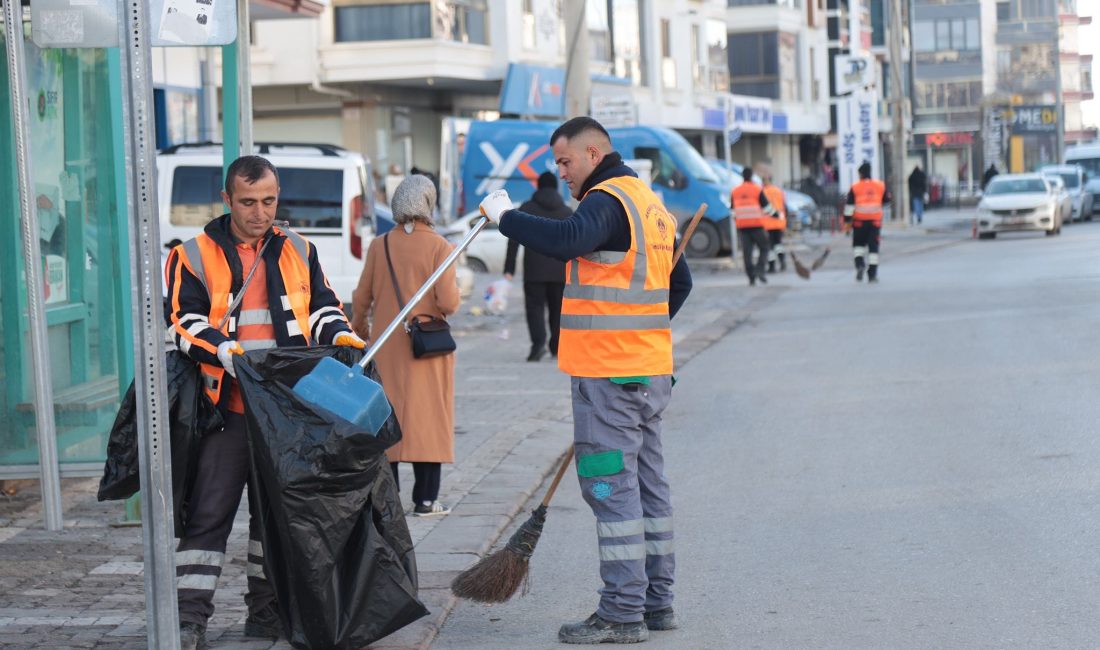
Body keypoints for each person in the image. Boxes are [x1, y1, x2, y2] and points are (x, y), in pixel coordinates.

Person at [480, 116, 692, 645]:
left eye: (565, 161)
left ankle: (622, 614)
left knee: (610, 490)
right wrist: (643, 334)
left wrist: (507, 218)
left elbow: (569, 238)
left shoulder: (606, 200)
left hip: (609, 375)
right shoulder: (651, 206)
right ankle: (656, 602)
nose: (562, 172)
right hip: (647, 371)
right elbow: (680, 282)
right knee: (648, 488)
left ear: (593, 153)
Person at [165, 156, 366, 650]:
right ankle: (189, 620)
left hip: (286, 413)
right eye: (249, 202)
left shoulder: (299, 247)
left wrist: (340, 332)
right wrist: (225, 351)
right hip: (227, 409)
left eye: (269, 201)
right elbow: (183, 324)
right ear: (226, 198)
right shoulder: (192, 254)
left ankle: (266, 612)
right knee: (208, 515)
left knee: (274, 514)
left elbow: (320, 304)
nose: (260, 213)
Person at [351, 174, 460, 517]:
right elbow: (449, 302)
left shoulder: (379, 245)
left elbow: (361, 296)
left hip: (385, 345)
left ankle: (390, 499)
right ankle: (426, 500)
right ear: (429, 203)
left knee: (388, 416)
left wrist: (361, 328)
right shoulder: (439, 246)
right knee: (429, 419)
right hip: (426, 346)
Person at [504, 172, 572, 361]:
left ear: (538, 186)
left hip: (534, 271)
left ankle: (538, 344)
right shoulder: (566, 212)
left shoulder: (526, 209)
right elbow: (575, 242)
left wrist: (509, 269)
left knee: (534, 310)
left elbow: (513, 240)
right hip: (560, 271)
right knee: (557, 310)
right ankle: (556, 346)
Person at [844, 161, 892, 283]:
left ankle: (860, 265)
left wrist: (847, 222)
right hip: (875, 222)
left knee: (858, 246)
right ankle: (872, 274)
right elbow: (886, 201)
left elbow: (849, 207)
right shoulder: (880, 185)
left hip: (859, 222)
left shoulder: (855, 187)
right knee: (873, 249)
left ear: (860, 174)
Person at [731, 166, 777, 286]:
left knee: (747, 253)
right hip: (757, 226)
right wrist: (777, 215)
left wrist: (738, 221)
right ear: (751, 176)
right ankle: (760, 270)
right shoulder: (757, 189)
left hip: (743, 227)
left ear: (742, 176)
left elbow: (732, 211)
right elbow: (767, 208)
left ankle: (751, 277)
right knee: (765, 247)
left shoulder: (735, 191)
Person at [761, 178, 787, 273]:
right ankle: (782, 261)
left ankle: (772, 266)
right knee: (778, 244)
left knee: (770, 246)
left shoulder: (763, 192)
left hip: (768, 223)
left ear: (764, 182)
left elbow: (762, 207)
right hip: (779, 222)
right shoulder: (779, 191)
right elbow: (784, 206)